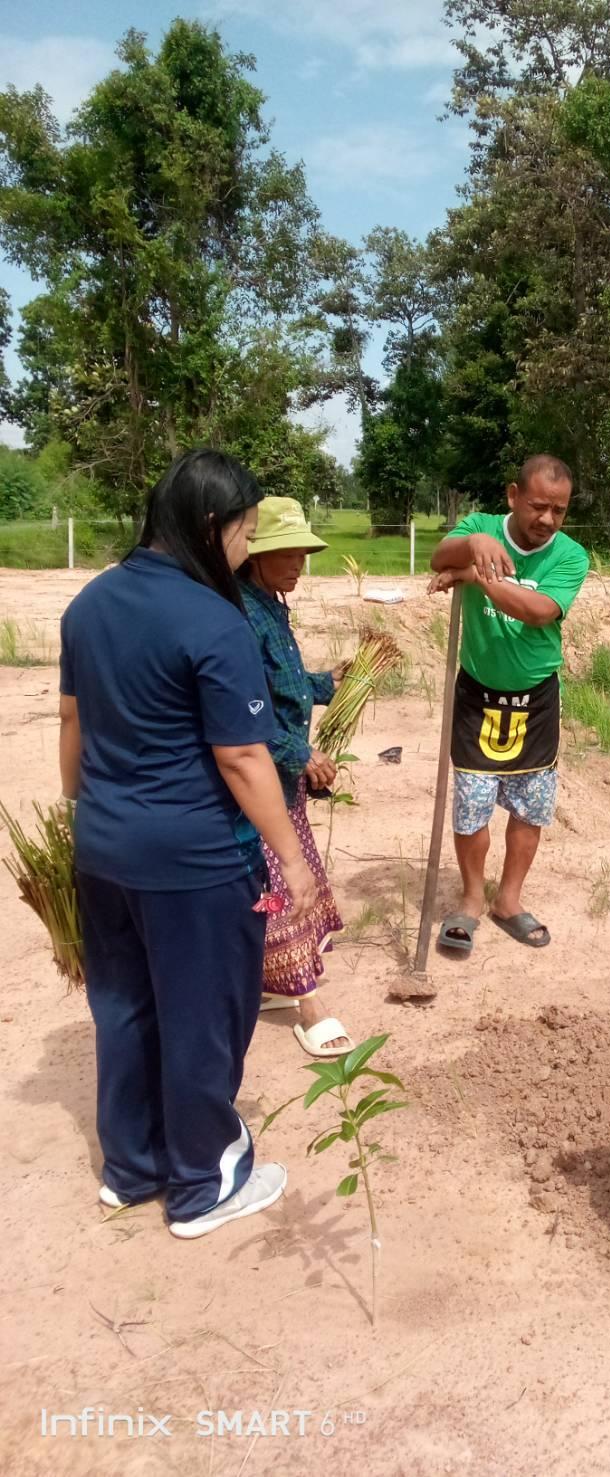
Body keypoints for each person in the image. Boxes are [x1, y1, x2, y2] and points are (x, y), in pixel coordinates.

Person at [59, 450, 317, 1239]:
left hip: (103, 849)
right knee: (205, 1013)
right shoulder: (216, 617)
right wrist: (295, 859)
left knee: (125, 1007)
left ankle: (131, 1168)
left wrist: (92, 810)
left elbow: (73, 727)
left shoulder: (90, 603)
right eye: (244, 531)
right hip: (196, 861)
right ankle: (202, 1181)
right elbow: (242, 756)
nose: (245, 548)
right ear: (212, 528)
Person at [428, 455, 589, 953]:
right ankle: (473, 898)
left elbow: (540, 612)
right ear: (513, 494)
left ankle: (509, 900)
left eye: (558, 511)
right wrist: (472, 546)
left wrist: (476, 578)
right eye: (539, 505)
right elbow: (440, 557)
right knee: (472, 805)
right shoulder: (480, 528)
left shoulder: (570, 556)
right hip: (477, 694)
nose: (547, 519)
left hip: (537, 699)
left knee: (529, 807)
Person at [239, 497, 351, 1058]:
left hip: (284, 784)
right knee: (281, 887)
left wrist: (327, 682)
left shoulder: (271, 607)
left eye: (304, 552)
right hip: (262, 782)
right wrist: (299, 753)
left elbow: (283, 683)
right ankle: (306, 1002)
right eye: (286, 551)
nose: (298, 562)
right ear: (255, 554)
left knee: (288, 882)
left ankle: (267, 984)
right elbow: (245, 708)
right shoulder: (241, 614)